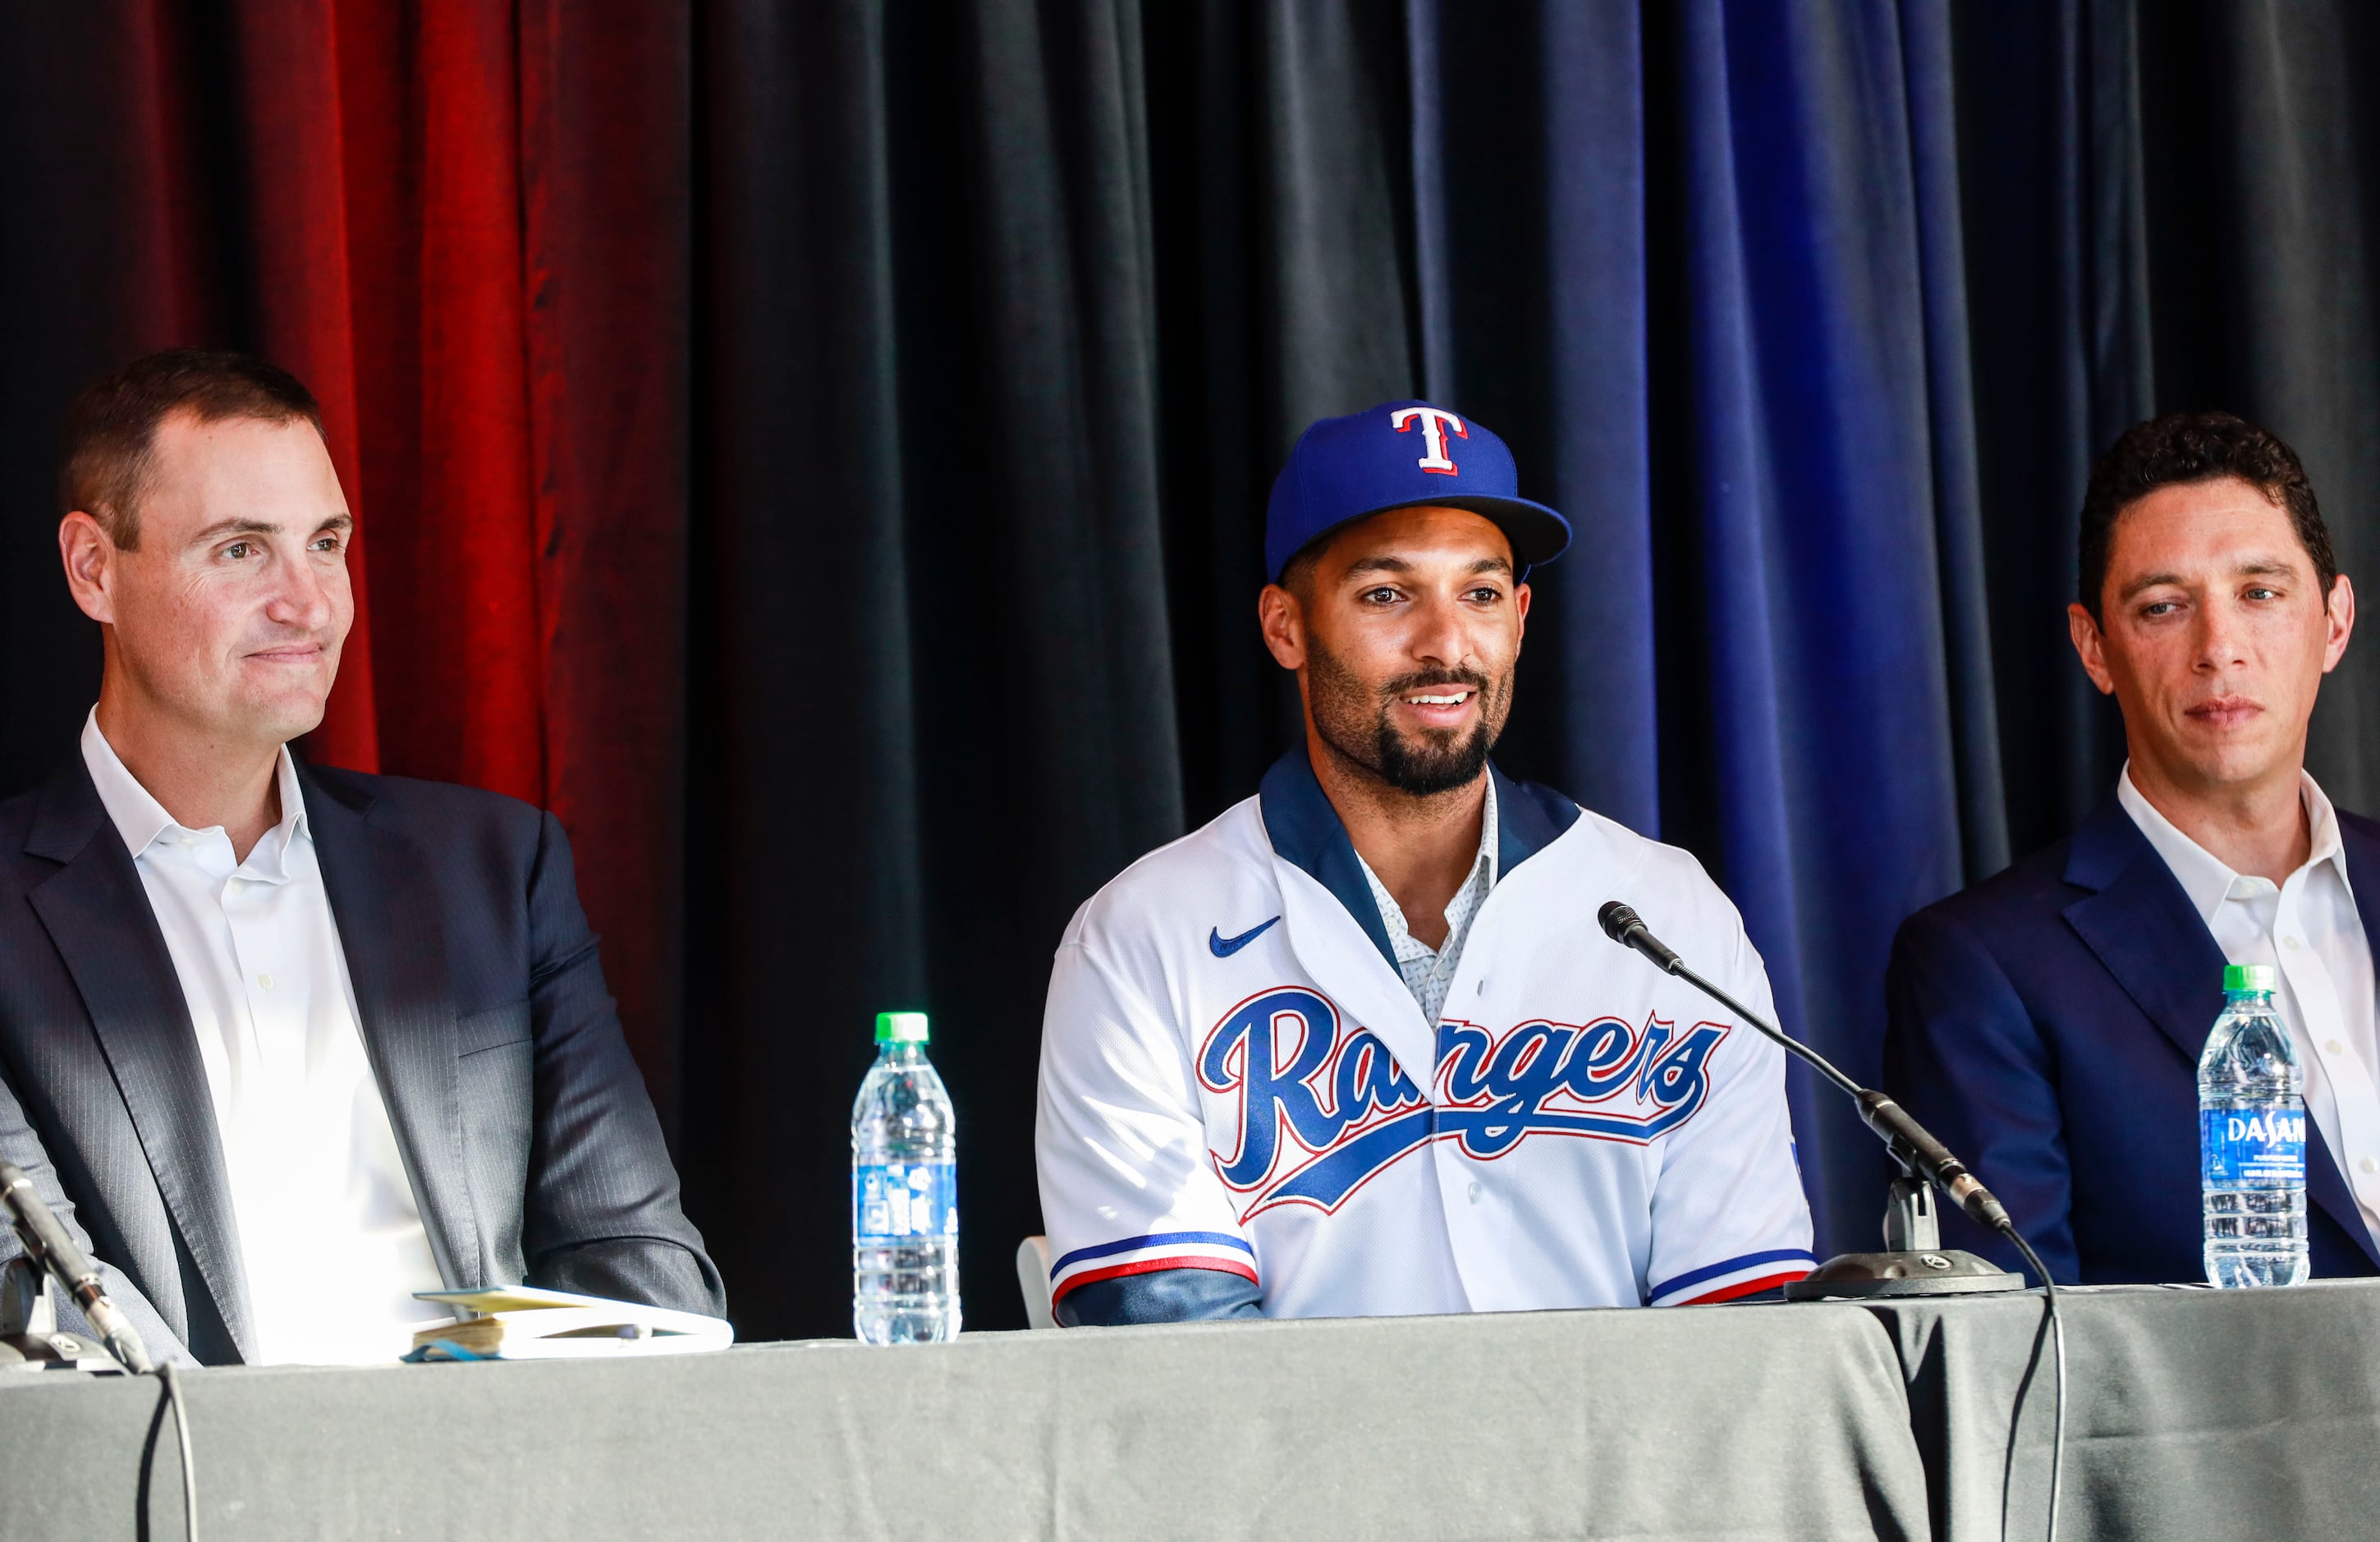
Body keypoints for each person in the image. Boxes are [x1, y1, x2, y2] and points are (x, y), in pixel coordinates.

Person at [0, 350, 722, 1365]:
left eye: (325, 543)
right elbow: (53, 1329)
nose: (311, 605)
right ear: (94, 570)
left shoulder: (494, 871)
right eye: (242, 551)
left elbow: (637, 1266)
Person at [1034, 401, 1814, 1324]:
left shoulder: (1667, 912)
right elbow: (1167, 1330)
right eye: (1386, 595)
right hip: (1290, 1469)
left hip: (1624, 1465)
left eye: (1480, 594)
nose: (1445, 644)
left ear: (1520, 618)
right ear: (1286, 627)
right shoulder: (1141, 935)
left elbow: (1737, 1313)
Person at [1885, 411, 2380, 1284]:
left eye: (2259, 593)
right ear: (2095, 647)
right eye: (2162, 607)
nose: (2217, 649)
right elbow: (2025, 1359)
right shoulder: (1983, 966)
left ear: (2334, 622)